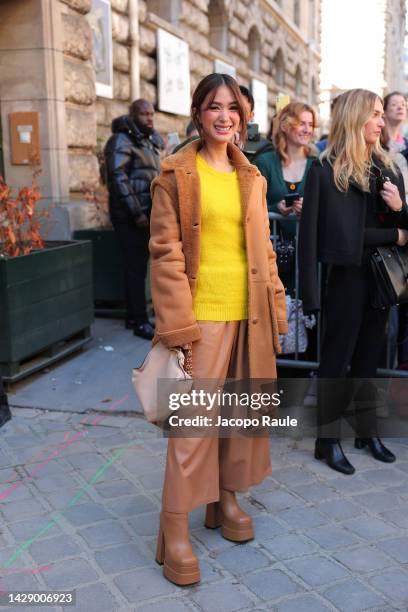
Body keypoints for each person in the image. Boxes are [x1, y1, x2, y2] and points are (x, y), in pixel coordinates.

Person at [149, 73, 287, 586]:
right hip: (200, 320)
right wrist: (179, 329)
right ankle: (174, 528)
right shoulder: (176, 175)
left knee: (240, 419)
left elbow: (266, 252)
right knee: (192, 428)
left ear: (244, 117)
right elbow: (165, 256)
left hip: (247, 315)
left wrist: (276, 310)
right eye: (214, 107)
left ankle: (225, 500)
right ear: (198, 113)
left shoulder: (251, 176)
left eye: (232, 107)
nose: (224, 116)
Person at [299, 89, 408, 475]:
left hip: (381, 280)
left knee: (369, 359)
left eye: (382, 114)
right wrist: (392, 235)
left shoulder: (389, 168)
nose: (382, 122)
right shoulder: (324, 171)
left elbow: (403, 227)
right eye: (375, 114)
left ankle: (366, 431)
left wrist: (400, 210)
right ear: (355, 117)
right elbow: (328, 238)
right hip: (345, 279)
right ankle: (326, 441)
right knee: (335, 360)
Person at [104, 99, 163, 339]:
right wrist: (137, 213)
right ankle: (139, 320)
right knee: (135, 269)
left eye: (151, 114)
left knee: (139, 268)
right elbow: (118, 179)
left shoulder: (146, 141)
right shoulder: (121, 140)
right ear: (132, 115)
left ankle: (135, 316)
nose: (149, 118)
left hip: (147, 214)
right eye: (144, 114)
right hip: (130, 217)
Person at [254, 102, 317, 241]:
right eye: (301, 123)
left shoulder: (317, 164)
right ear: (284, 126)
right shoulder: (265, 162)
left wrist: (309, 208)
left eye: (310, 124)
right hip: (270, 247)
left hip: (306, 249)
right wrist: (276, 208)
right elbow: (252, 205)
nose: (307, 129)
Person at [238, 85, 273, 162]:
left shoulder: (265, 148)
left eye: (243, 112)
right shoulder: (210, 142)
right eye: (233, 108)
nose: (237, 116)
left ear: (251, 116)